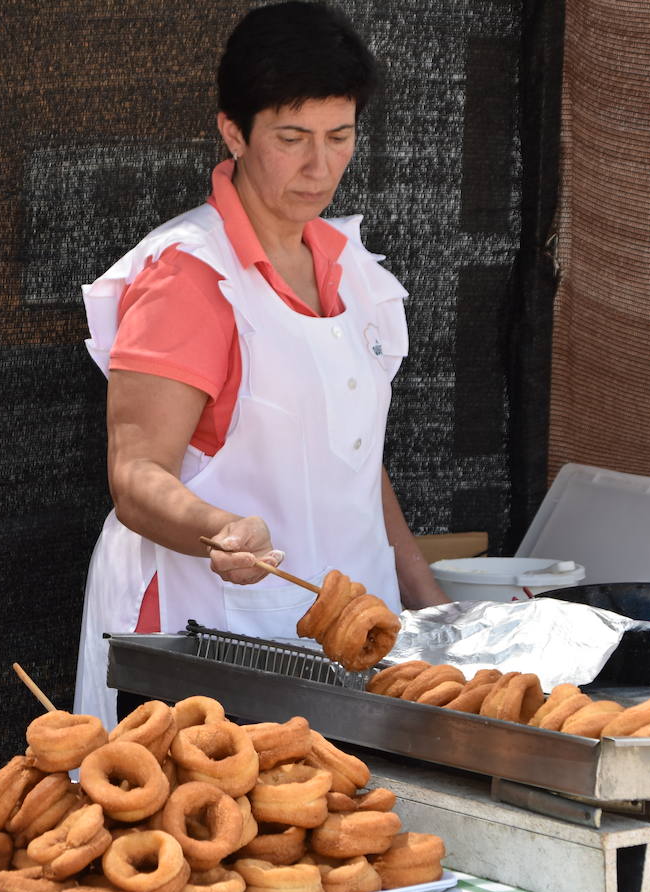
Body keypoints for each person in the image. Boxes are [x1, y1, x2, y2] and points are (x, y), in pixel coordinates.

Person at [74, 1, 448, 727]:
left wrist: (434, 611)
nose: (320, 166)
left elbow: (356, 463)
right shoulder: (191, 275)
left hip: (351, 642)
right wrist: (217, 529)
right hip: (209, 635)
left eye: (340, 136)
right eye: (292, 137)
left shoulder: (356, 273)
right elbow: (136, 477)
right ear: (233, 131)